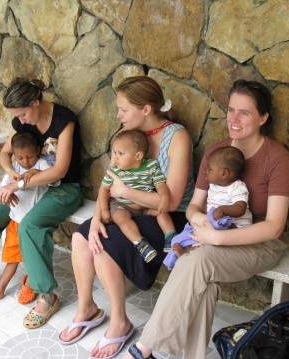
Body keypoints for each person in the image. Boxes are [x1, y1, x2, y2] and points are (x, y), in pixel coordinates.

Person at [124, 79, 289, 359]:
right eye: (231, 110)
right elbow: (193, 206)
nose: (234, 119)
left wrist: (217, 237)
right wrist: (199, 221)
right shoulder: (217, 154)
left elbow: (274, 227)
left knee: (198, 260)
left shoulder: (277, 158)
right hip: (214, 238)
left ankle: (144, 348)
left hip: (261, 244)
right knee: (205, 282)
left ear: (263, 118)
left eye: (245, 113)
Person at [59, 76, 195, 359]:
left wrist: (126, 191)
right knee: (82, 236)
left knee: (106, 244)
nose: (118, 115)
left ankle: (120, 322)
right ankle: (87, 309)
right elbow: (108, 184)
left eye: (123, 109)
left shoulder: (177, 137)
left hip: (169, 217)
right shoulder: (126, 136)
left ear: (146, 109)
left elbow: (169, 200)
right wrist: (97, 217)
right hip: (127, 210)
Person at [0, 78, 83, 329]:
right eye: (17, 116)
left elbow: (59, 170)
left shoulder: (64, 121)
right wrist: (12, 174)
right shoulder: (21, 120)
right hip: (25, 187)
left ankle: (47, 296)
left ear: (36, 102)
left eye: (23, 114)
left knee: (30, 226)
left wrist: (18, 185)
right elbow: (5, 154)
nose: (21, 121)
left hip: (63, 189)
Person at [0, 132, 58, 313]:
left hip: (31, 222)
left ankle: (32, 281)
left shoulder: (41, 164)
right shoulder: (14, 168)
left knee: (35, 255)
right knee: (12, 258)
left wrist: (37, 172)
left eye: (30, 156)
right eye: (20, 157)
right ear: (14, 156)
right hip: (15, 221)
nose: (26, 161)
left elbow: (55, 178)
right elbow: (5, 187)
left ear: (37, 151)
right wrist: (9, 191)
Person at [163, 145, 252, 270]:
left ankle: (187, 252)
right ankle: (183, 251)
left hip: (235, 229)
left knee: (205, 244)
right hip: (215, 225)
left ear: (224, 173)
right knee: (180, 238)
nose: (206, 171)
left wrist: (223, 210)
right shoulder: (214, 187)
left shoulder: (237, 187)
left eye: (210, 169)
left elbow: (240, 208)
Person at [100, 129, 176, 264]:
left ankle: (171, 237)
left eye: (120, 153)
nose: (115, 157)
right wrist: (104, 210)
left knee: (161, 212)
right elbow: (104, 190)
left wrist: (164, 199)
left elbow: (160, 185)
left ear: (138, 156)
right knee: (120, 218)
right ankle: (140, 244)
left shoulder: (151, 166)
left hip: (144, 206)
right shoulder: (115, 171)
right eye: (115, 153)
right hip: (122, 205)